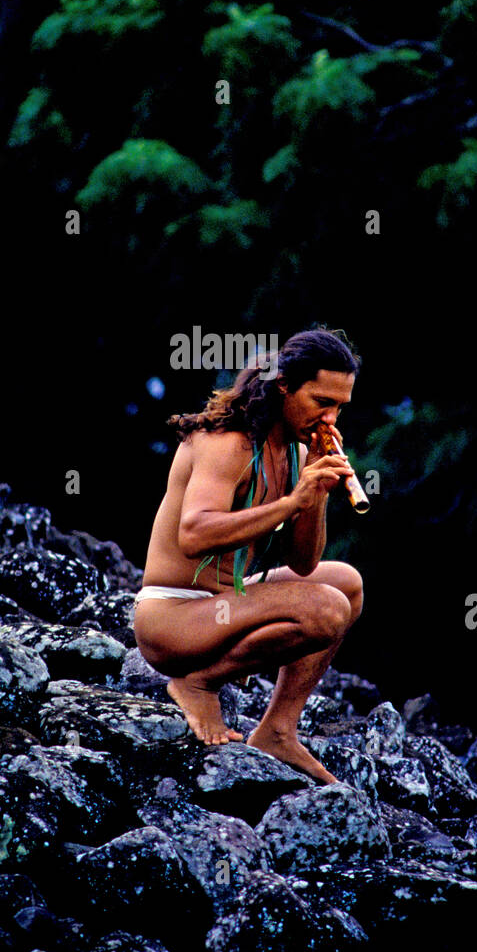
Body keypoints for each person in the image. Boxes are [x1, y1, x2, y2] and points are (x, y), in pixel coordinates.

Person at [132, 327, 365, 784]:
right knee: (326, 608)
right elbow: (194, 535)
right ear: (284, 386)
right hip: (173, 619)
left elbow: (304, 564)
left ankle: (277, 730)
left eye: (340, 407)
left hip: (224, 608)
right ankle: (197, 683)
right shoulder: (228, 442)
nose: (331, 417)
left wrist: (314, 492)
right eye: (321, 402)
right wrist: (289, 503)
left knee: (346, 584)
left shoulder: (296, 453)